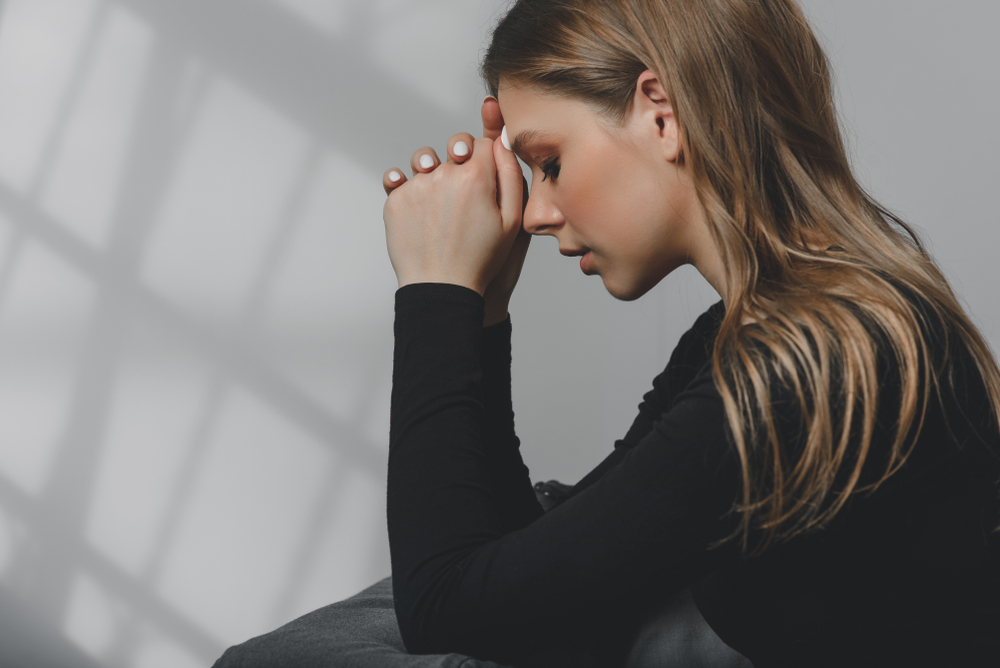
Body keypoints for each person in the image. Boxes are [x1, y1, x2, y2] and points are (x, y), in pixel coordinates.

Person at [379, 0, 1000, 665]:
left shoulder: (807, 366)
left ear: (660, 112)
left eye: (550, 162)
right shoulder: (778, 331)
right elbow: (539, 592)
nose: (534, 212)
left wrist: (433, 295)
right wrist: (481, 312)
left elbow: (445, 616)